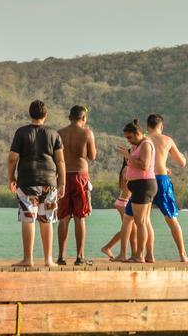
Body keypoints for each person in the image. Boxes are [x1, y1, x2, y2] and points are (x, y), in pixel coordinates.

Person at [8, 100, 65, 267]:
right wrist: (62, 183)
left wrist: (11, 178)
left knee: (28, 219)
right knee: (46, 218)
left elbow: (12, 158)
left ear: (30, 114)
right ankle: (48, 259)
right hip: (49, 181)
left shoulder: (21, 133)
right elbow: (60, 161)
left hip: (27, 181)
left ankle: (28, 259)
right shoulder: (54, 134)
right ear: (45, 116)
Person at [145, 114, 188, 262]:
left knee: (143, 219)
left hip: (147, 179)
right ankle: (183, 255)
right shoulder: (167, 140)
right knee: (172, 219)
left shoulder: (144, 140)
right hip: (162, 180)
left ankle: (149, 254)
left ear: (148, 127)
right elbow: (182, 163)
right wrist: (182, 157)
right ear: (161, 126)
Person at [56, 105, 97, 266]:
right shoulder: (87, 133)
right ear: (84, 118)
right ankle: (80, 257)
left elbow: (56, 157)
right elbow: (92, 156)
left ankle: (61, 257)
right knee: (80, 217)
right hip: (80, 176)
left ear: (69, 117)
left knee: (63, 217)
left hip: (64, 177)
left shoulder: (60, 133)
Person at [117, 119, 156, 263]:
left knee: (141, 222)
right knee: (133, 220)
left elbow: (144, 165)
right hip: (137, 186)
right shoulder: (137, 145)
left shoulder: (146, 144)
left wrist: (128, 156)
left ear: (138, 133)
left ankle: (139, 255)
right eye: (127, 138)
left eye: (130, 137)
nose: (128, 141)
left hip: (144, 185)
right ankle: (142, 255)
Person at [100, 160, 136, 261]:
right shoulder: (127, 169)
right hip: (123, 202)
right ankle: (107, 247)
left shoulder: (128, 168)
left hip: (125, 201)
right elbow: (127, 181)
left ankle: (134, 254)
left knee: (130, 230)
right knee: (127, 229)